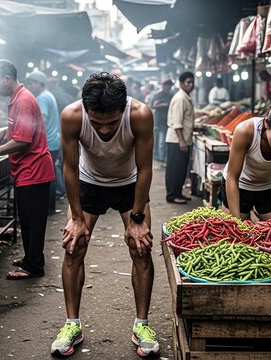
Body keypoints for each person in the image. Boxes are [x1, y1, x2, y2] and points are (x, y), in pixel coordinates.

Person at [51, 72, 158, 358]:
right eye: (98, 123)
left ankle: (142, 325)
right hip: (88, 183)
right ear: (87, 111)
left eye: (112, 122)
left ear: (123, 108)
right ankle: (72, 324)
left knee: (141, 248)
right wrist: (75, 218)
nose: (106, 130)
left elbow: (146, 168)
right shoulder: (72, 116)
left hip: (130, 183)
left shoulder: (140, 115)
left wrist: (137, 220)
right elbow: (70, 168)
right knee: (74, 247)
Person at [0, 59, 55, 280]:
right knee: (28, 219)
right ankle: (30, 258)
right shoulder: (19, 97)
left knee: (33, 221)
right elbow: (22, 127)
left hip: (34, 169)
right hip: (28, 169)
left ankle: (34, 266)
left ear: (6, 78)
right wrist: (4, 129)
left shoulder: (22, 99)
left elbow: (23, 139)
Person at [26, 70, 65, 210]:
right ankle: (50, 206)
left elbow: (41, 120)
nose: (30, 86)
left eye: (31, 83)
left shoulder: (42, 98)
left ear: (38, 84)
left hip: (48, 142)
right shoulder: (49, 95)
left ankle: (47, 207)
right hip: (54, 140)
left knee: (46, 176)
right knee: (50, 173)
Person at [165, 71, 195, 204]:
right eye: (188, 82)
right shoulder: (180, 98)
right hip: (177, 140)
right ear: (181, 84)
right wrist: (181, 141)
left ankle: (178, 193)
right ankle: (172, 195)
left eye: (192, 82)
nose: (191, 85)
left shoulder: (185, 97)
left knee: (181, 169)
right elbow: (177, 122)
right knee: (175, 169)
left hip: (182, 140)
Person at [150, 79, 173, 163]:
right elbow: (152, 106)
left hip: (168, 121)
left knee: (164, 141)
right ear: (164, 86)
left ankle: (162, 157)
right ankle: (160, 158)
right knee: (160, 141)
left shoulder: (171, 95)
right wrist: (162, 105)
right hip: (159, 120)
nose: (169, 87)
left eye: (170, 86)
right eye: (168, 86)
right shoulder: (158, 95)